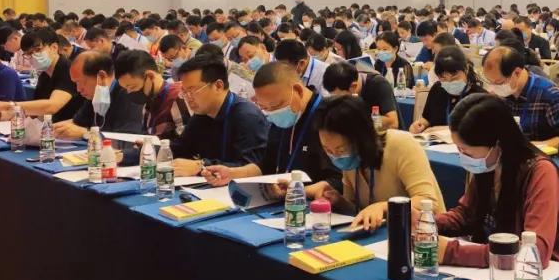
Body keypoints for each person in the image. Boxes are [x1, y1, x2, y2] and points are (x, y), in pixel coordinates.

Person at [432, 93, 559, 272]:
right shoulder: (488, 166)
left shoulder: (541, 173)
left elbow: (535, 252)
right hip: (501, 268)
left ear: (498, 144)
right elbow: (466, 215)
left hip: (546, 275)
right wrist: (427, 223)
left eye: (466, 151)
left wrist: (453, 252)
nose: (462, 156)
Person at [309, 95, 445, 230]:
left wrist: (384, 207)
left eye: (341, 150)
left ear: (361, 139)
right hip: (381, 234)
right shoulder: (351, 161)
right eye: (328, 150)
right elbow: (356, 209)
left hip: (423, 235)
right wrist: (338, 201)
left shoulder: (402, 145)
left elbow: (428, 202)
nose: (336, 156)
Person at [203, 61, 340, 192]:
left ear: (298, 90)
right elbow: (266, 165)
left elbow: (338, 181)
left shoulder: (330, 117)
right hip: (283, 198)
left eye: (275, 106)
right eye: (264, 108)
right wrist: (232, 173)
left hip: (313, 202)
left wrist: (296, 192)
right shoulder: (282, 118)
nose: (271, 113)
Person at [156, 55, 270, 180]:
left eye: (192, 91)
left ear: (218, 86)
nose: (188, 98)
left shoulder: (247, 116)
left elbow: (251, 168)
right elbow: (180, 149)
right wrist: (151, 149)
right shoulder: (201, 114)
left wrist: (201, 166)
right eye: (184, 92)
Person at [481, 45, 559, 142]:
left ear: (517, 72)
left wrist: (537, 146)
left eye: (499, 83)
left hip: (541, 150)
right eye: (490, 82)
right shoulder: (502, 94)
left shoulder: (550, 95)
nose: (493, 88)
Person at [0, 29, 81, 120]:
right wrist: (0, 116)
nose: (34, 56)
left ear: (54, 47)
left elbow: (52, 106)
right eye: (29, 53)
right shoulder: (44, 75)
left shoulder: (68, 70)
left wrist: (8, 106)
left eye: (38, 50)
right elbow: (36, 111)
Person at [52, 52, 144, 138]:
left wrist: (85, 134)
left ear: (101, 77)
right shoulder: (95, 94)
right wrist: (50, 128)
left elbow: (126, 139)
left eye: (81, 82)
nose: (78, 89)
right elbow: (76, 123)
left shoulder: (129, 94)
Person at [114, 49, 190, 140]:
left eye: (132, 87)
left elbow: (186, 142)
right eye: (126, 89)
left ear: (150, 76)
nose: (129, 92)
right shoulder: (148, 103)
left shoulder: (177, 98)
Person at [408, 46, 485, 133]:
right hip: (435, 140)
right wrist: (420, 124)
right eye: (443, 79)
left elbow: (479, 131)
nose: (450, 82)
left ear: (466, 69)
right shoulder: (437, 89)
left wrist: (443, 130)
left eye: (455, 78)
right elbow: (427, 119)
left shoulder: (479, 97)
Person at [321, 61, 399, 130]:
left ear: (353, 86)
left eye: (339, 97)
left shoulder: (378, 84)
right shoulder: (345, 87)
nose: (338, 100)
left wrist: (360, 119)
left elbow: (393, 123)